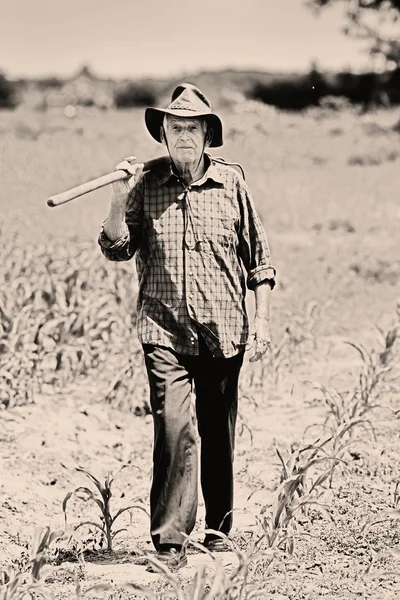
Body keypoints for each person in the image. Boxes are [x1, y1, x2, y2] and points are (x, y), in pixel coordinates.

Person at [98, 83, 276, 570]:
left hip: (223, 330)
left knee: (217, 432)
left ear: (205, 135)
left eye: (191, 128)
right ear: (164, 134)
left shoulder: (232, 184)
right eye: (174, 127)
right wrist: (118, 196)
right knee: (175, 426)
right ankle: (170, 541)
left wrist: (261, 321)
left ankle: (219, 529)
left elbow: (259, 262)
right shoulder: (145, 185)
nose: (183, 135)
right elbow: (116, 248)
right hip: (164, 331)